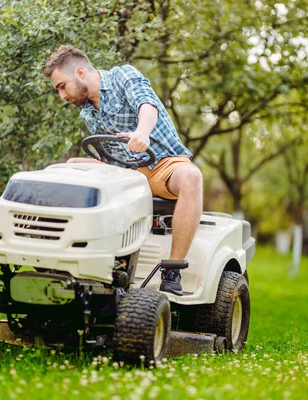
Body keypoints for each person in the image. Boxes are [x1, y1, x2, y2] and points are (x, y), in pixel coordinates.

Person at [42, 45, 202, 296]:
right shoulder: (87, 113)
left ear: (80, 72)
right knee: (68, 167)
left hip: (162, 164)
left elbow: (147, 104)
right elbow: (110, 157)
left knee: (192, 176)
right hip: (126, 172)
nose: (62, 96)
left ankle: (173, 269)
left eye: (62, 86)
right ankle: (77, 261)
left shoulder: (122, 75)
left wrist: (142, 132)